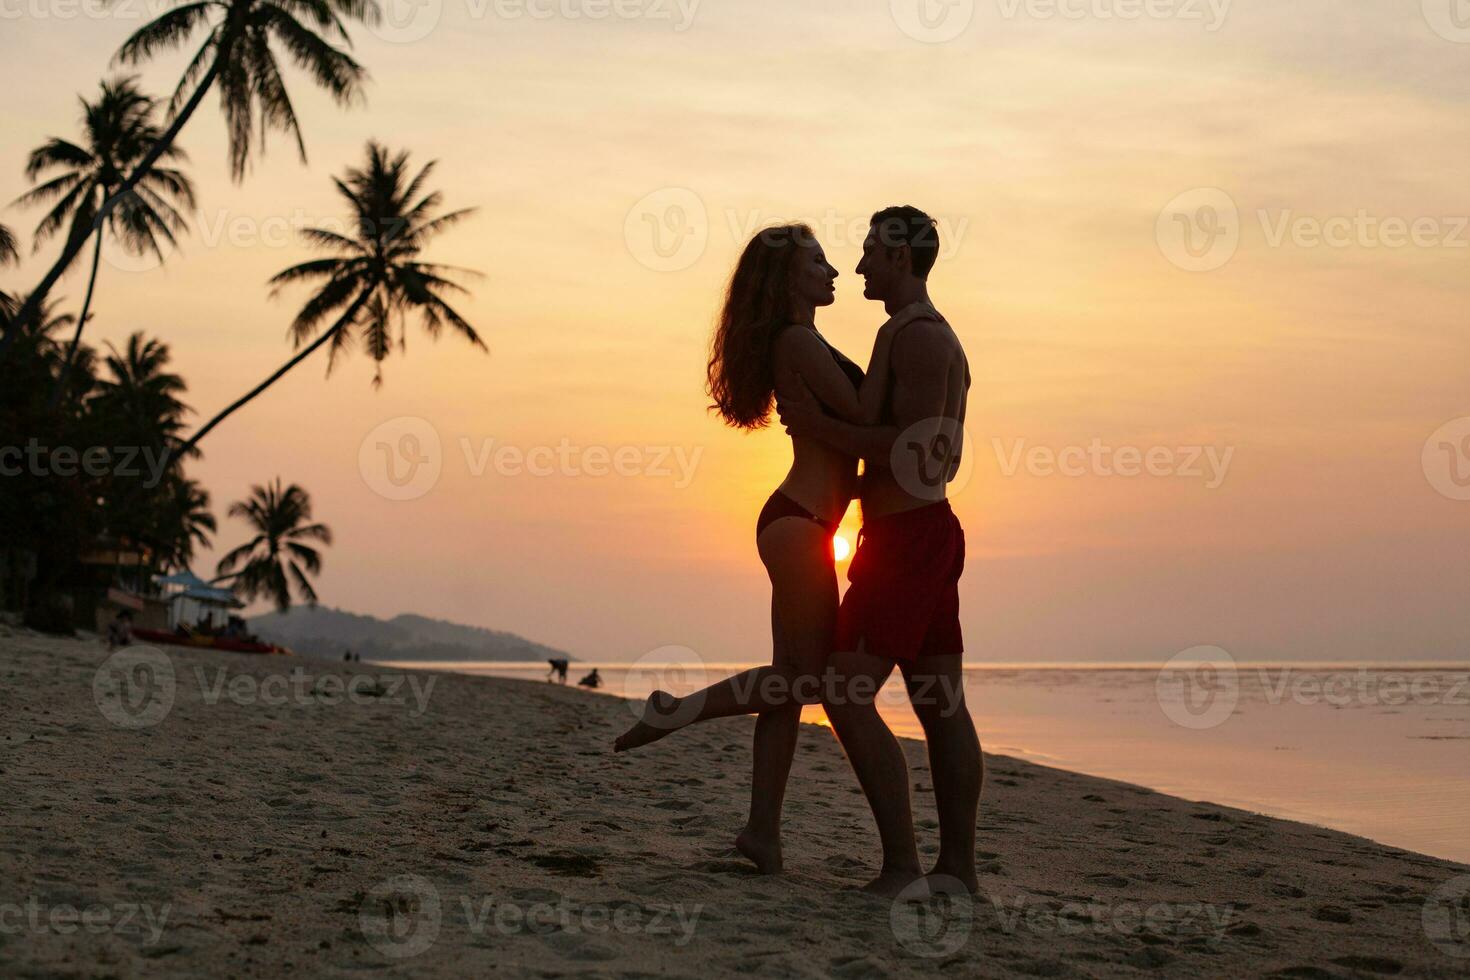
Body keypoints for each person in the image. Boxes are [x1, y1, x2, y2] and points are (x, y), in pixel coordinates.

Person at [614, 223, 932, 875]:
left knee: (788, 685)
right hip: (801, 526)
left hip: (800, 521)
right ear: (788, 278)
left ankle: (762, 833)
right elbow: (865, 420)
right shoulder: (797, 342)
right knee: (801, 679)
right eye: (818, 261)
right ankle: (679, 710)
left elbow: (851, 422)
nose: (834, 271)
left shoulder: (806, 340)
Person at [777, 205, 980, 896]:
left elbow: (913, 450)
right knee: (939, 701)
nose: (859, 264)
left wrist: (815, 426)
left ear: (899, 254)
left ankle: (904, 866)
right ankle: (957, 871)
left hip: (908, 543)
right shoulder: (916, 334)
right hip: (920, 534)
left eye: (868, 251)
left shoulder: (918, 337)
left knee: (843, 688)